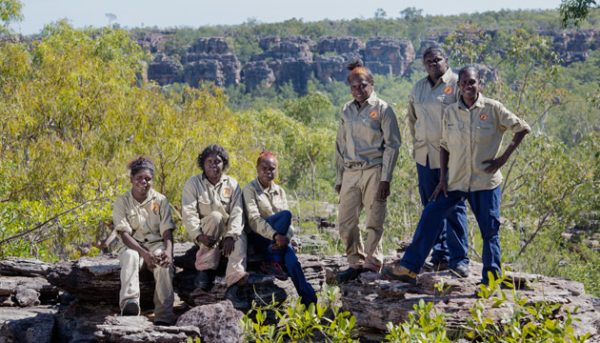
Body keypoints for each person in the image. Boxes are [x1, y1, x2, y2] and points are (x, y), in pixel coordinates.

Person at [383, 65, 531, 285]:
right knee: (430, 214)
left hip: (485, 182)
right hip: (455, 181)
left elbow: (522, 128)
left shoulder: (493, 108)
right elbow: (443, 146)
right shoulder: (451, 111)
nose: (467, 86)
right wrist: (442, 179)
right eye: (463, 83)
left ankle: (490, 280)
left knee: (489, 231)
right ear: (458, 86)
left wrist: (503, 158)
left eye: (471, 82)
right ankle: (410, 268)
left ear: (479, 83)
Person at [335, 59, 402, 283]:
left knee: (375, 219)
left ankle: (373, 262)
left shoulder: (382, 109)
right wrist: (339, 178)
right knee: (346, 220)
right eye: (354, 86)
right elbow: (340, 146)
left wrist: (386, 179)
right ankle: (355, 261)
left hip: (375, 170)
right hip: (351, 172)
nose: (358, 90)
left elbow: (392, 145)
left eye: (363, 85)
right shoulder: (346, 110)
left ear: (371, 84)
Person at [407, 46, 468, 275]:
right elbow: (412, 119)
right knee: (431, 208)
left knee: (454, 207)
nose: (433, 64)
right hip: (424, 157)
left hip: (452, 159)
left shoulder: (456, 83)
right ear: (424, 64)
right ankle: (439, 256)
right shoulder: (419, 87)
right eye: (428, 61)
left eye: (437, 59)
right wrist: (419, 142)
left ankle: (459, 259)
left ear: (446, 60)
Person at [243, 151, 318, 306]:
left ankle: (310, 303)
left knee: (293, 263)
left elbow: (288, 226)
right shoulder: (249, 189)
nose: (268, 172)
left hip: (279, 239)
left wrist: (286, 239)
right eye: (264, 168)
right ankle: (271, 260)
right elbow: (254, 220)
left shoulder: (280, 191)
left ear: (276, 170)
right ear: (257, 168)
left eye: (272, 168)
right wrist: (275, 235)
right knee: (285, 215)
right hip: (260, 237)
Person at [181, 144, 249, 308]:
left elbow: (237, 212)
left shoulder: (232, 184)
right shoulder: (193, 183)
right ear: (203, 164)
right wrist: (198, 235)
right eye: (209, 161)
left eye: (217, 161)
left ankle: (233, 288)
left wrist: (231, 236)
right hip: (206, 231)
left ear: (223, 164)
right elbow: (188, 212)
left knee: (240, 242)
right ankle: (205, 270)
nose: (213, 164)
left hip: (228, 232)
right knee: (215, 217)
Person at [112, 156, 175, 326]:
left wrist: (168, 252)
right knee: (131, 256)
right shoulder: (122, 202)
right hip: (132, 247)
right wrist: (144, 254)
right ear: (131, 179)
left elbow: (167, 231)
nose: (143, 182)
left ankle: (164, 316)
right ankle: (130, 304)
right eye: (139, 178)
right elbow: (124, 234)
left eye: (148, 179)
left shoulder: (161, 201)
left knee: (163, 263)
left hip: (156, 245)